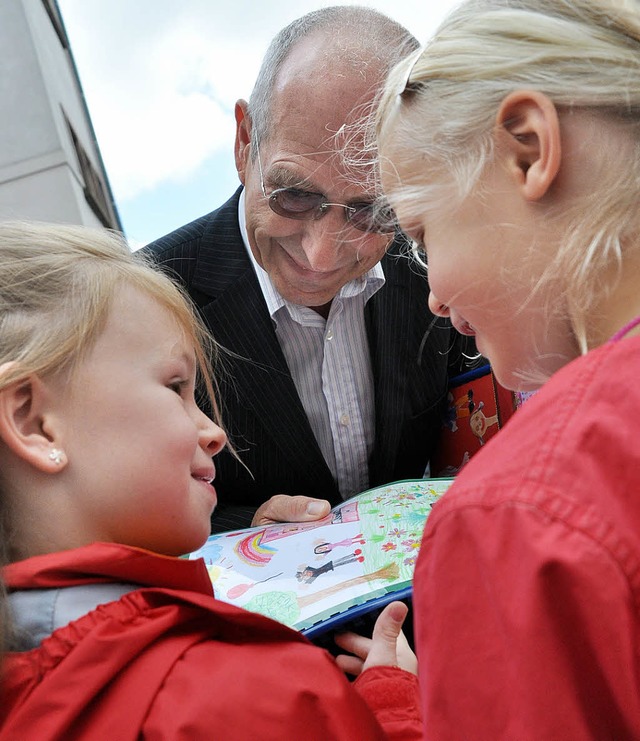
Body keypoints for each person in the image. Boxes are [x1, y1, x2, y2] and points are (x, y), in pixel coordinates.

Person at [0, 221, 422, 740]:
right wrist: (396, 708)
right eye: (176, 387)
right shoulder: (241, 691)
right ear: (32, 420)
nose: (214, 432)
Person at [372, 0, 640, 737]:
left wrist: (415, 710)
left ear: (528, 149)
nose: (429, 295)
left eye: (423, 236)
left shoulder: (517, 509)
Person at [144, 6, 457, 533]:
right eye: (293, 195)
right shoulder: (146, 301)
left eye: (372, 211)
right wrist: (246, 528)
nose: (322, 256)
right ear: (245, 143)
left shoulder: (440, 263)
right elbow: (117, 513)